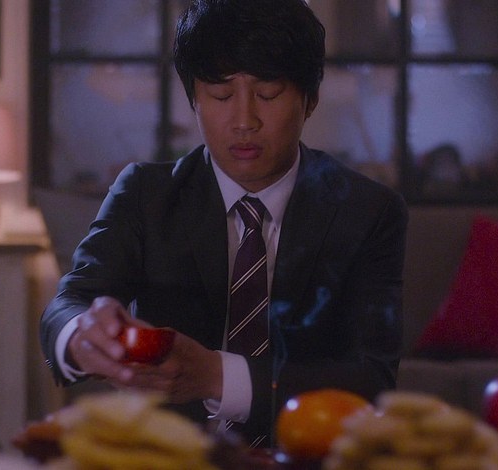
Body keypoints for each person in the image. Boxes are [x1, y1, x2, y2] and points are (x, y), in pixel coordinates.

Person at [40, 0, 408, 445]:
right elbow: (69, 304)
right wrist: (81, 335)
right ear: (194, 99)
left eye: (267, 94)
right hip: (169, 455)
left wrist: (216, 376)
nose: (243, 121)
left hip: (306, 452)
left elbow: (372, 379)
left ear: (309, 99)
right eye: (220, 95)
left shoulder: (367, 211)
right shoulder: (146, 195)